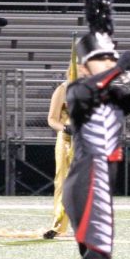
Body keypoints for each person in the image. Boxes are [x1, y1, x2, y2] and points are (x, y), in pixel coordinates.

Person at [28, 0, 130, 259]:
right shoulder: (79, 90)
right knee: (99, 255)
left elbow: (128, 95)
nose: (108, 63)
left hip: (100, 179)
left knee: (97, 256)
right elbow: (89, 91)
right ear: (88, 62)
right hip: (87, 177)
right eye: (102, 58)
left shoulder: (112, 95)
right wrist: (121, 67)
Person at [43, 49, 83, 240]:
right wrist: (65, 128)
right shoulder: (62, 89)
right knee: (63, 181)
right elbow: (51, 118)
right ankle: (59, 225)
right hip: (67, 140)